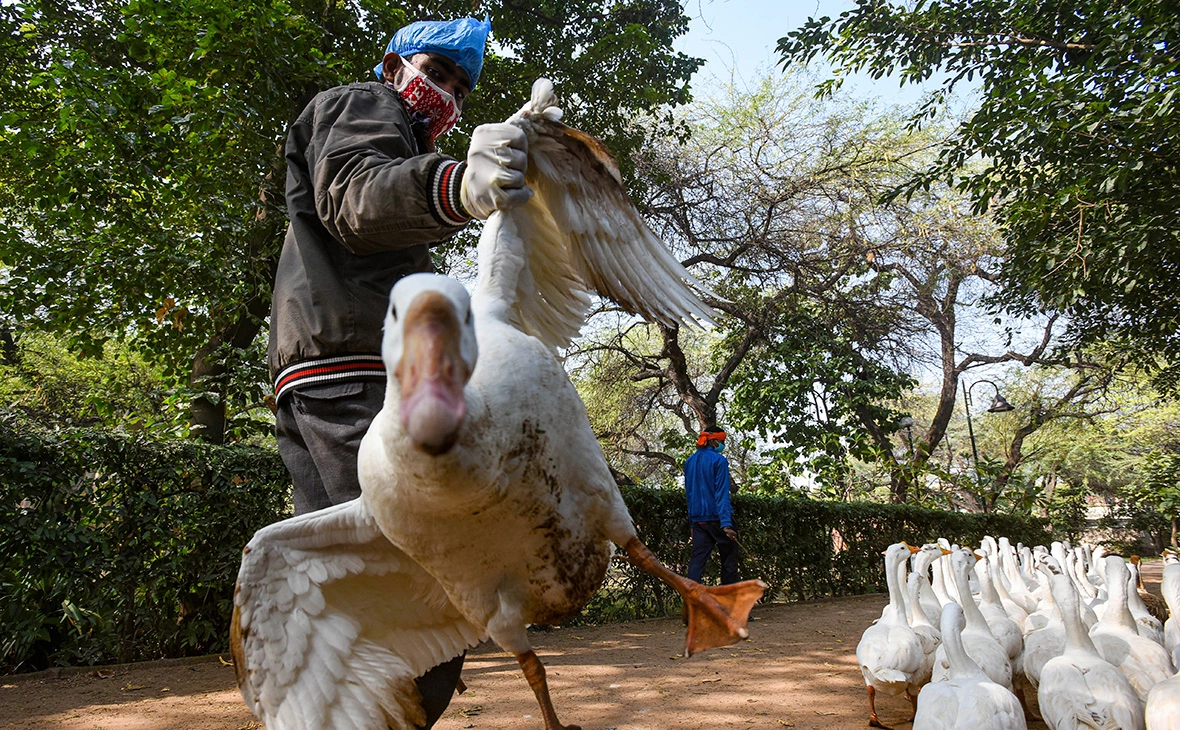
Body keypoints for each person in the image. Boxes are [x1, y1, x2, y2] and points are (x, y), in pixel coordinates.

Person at [266, 16, 530, 728]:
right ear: (393, 66)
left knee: (353, 592)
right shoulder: (362, 104)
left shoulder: (405, 147)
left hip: (332, 370)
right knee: (422, 588)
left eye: (461, 86)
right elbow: (359, 200)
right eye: (437, 72)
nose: (447, 93)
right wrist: (458, 188)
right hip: (346, 371)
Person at [683, 426, 740, 586]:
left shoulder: (690, 461)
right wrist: (727, 524)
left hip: (699, 521)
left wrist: (692, 522)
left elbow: (689, 493)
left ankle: (691, 605)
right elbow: (721, 493)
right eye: (722, 441)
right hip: (718, 519)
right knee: (729, 563)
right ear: (714, 441)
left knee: (696, 562)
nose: (723, 444)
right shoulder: (719, 461)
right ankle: (730, 608)